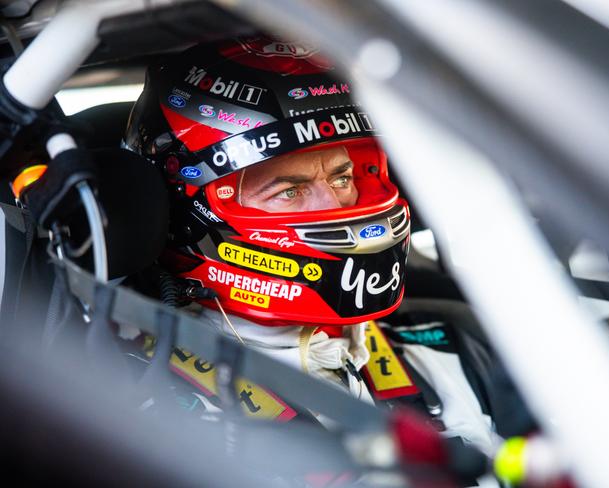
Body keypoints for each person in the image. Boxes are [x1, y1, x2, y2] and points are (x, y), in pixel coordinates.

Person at [124, 34, 504, 486]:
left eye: (343, 176)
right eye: (289, 190)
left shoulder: (448, 354)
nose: (337, 207)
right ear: (187, 211)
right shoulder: (130, 406)